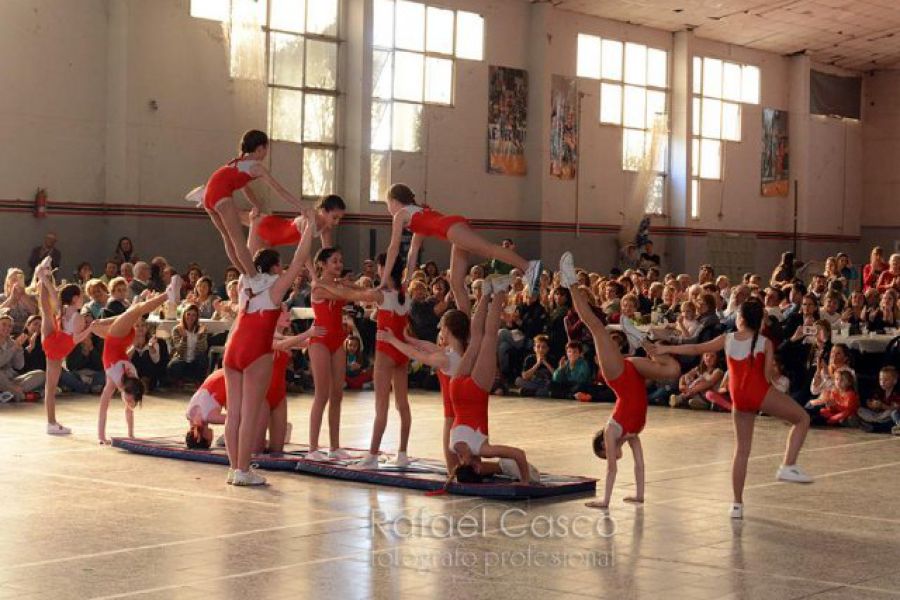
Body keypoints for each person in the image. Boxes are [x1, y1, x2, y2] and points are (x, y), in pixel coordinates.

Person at [651, 299, 813, 518]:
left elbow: (696, 347)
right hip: (759, 394)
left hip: (739, 399)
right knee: (802, 418)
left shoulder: (727, 339)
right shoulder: (765, 342)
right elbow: (766, 378)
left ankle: (736, 505)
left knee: (741, 452)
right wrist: (777, 403)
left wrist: (666, 347)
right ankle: (788, 464)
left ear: (741, 319)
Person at [559, 253, 681, 509]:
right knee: (672, 370)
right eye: (608, 457)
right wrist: (639, 494)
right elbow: (639, 465)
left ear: (605, 445)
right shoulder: (632, 434)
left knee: (595, 326)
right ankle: (640, 340)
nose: (611, 458)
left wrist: (604, 500)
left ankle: (569, 281)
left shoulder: (611, 432)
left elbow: (612, 472)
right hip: (633, 372)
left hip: (617, 376)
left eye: (606, 455)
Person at [220, 219, 314, 486]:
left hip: (233, 348)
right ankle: (243, 469)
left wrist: (252, 224)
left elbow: (246, 252)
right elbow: (299, 260)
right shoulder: (275, 286)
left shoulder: (244, 281)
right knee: (249, 413)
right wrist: (308, 229)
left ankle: (233, 468)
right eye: (279, 265)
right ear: (275, 267)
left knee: (234, 414)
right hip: (256, 350)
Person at [380, 183, 541, 314]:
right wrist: (407, 279)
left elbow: (393, 248)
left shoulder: (400, 214)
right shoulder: (415, 214)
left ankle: (529, 266)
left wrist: (383, 281)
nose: (388, 209)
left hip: (451, 228)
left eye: (388, 204)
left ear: (394, 201)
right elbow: (413, 251)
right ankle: (465, 326)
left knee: (489, 250)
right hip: (452, 228)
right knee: (456, 283)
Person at [443, 281, 537, 485]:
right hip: (457, 390)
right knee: (476, 339)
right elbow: (462, 467)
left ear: (474, 467)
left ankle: (501, 289)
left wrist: (525, 481)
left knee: (489, 337)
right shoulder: (452, 448)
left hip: (475, 391)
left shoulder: (482, 449)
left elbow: (519, 454)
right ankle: (485, 294)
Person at [193, 130, 305, 278]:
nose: (266, 153)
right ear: (260, 149)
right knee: (238, 240)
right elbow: (279, 190)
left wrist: (257, 205)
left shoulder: (237, 161)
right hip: (220, 194)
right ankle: (253, 277)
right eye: (266, 149)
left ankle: (245, 274)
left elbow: (244, 187)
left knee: (227, 238)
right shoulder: (256, 167)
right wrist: (301, 206)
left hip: (209, 195)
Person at [92, 291, 169, 444]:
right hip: (118, 338)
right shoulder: (119, 380)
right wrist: (101, 437)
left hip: (119, 339)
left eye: (130, 401)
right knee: (135, 311)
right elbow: (103, 409)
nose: (129, 403)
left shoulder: (123, 381)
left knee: (130, 313)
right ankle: (167, 295)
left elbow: (120, 410)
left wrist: (130, 435)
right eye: (130, 400)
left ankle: (140, 301)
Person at [34, 258, 95, 434]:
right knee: (51, 387)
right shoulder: (78, 316)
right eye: (82, 295)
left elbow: (55, 296)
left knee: (46, 309)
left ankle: (43, 275)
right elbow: (76, 339)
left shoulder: (64, 308)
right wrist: (90, 328)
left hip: (54, 338)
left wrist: (46, 281)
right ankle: (51, 423)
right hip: (59, 346)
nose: (83, 298)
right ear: (75, 298)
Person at [249, 194, 346, 252]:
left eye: (339, 219)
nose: (337, 222)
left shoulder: (326, 228)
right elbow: (304, 252)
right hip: (273, 229)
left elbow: (327, 253)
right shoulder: (310, 219)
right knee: (251, 267)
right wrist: (313, 275)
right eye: (335, 218)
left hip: (279, 239)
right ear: (324, 211)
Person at [167, 304, 209, 384]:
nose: (190, 317)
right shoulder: (177, 329)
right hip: (182, 359)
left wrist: (200, 337)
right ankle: (179, 380)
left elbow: (203, 349)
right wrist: (184, 338)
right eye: (188, 314)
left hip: (195, 361)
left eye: (194, 315)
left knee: (203, 358)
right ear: (184, 315)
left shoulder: (201, 329)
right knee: (174, 365)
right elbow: (179, 351)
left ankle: (198, 381)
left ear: (197, 317)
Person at [857, 366, 899, 433]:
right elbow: (875, 407)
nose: (882, 382)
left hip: (889, 416)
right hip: (879, 415)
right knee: (860, 410)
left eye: (886, 380)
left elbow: (896, 409)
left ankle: (875, 426)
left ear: (894, 381)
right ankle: (876, 422)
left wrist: (883, 406)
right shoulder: (879, 392)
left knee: (893, 413)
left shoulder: (896, 393)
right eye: (881, 379)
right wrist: (871, 405)